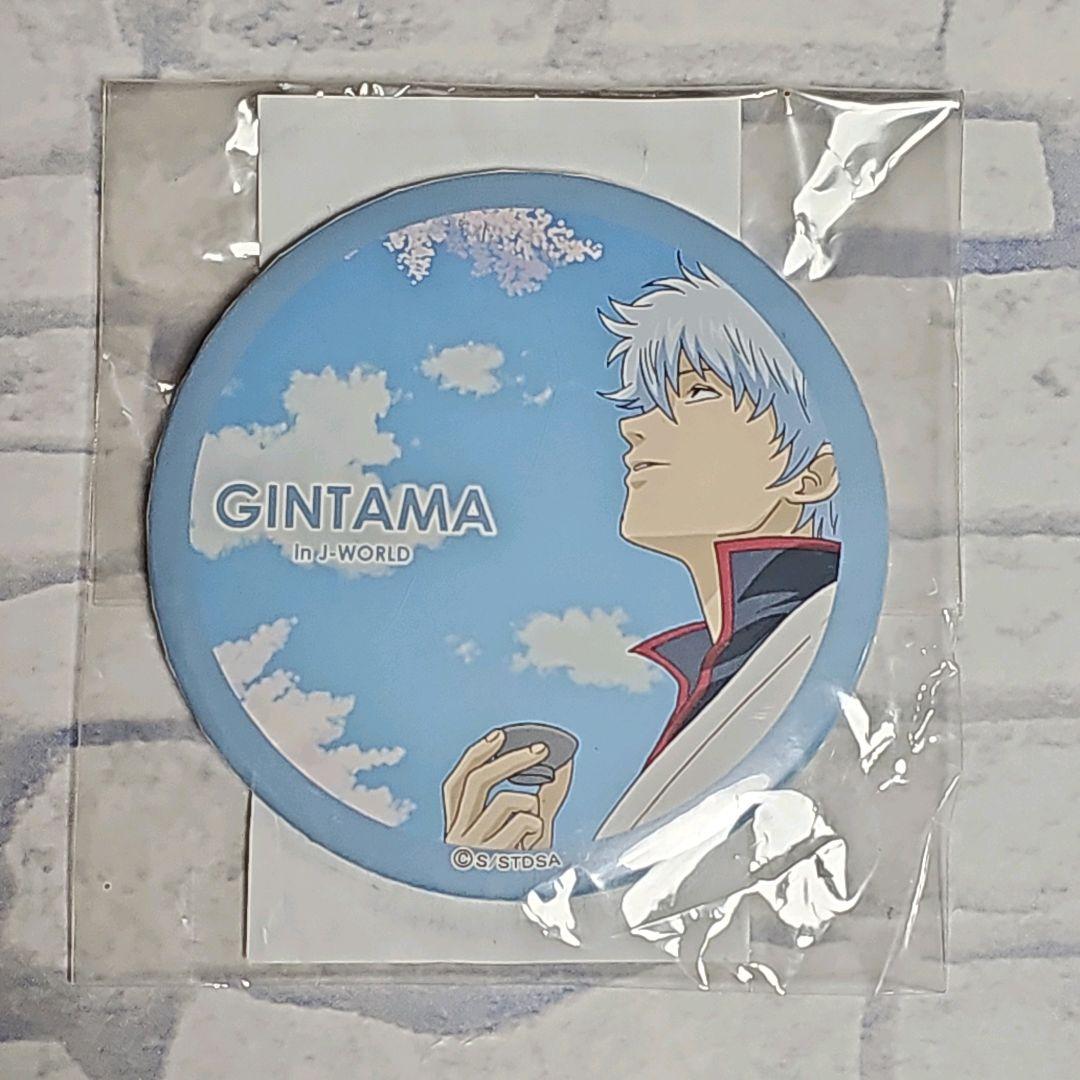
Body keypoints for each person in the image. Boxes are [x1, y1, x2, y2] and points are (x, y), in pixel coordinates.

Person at [442, 261, 841, 851]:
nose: (633, 428)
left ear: (812, 476)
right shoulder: (726, 663)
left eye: (698, 391)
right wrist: (511, 857)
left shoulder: (814, 641)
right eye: (646, 401)